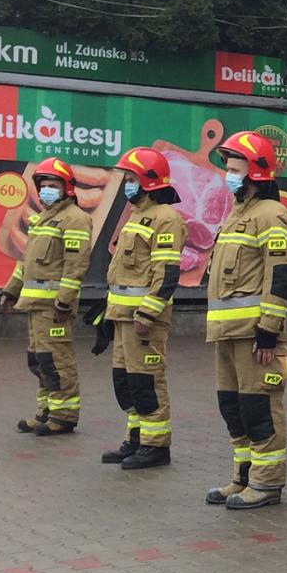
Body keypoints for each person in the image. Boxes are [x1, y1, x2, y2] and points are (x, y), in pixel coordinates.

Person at [203, 132, 287, 509]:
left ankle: (267, 483)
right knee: (233, 407)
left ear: (256, 172)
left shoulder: (270, 214)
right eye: (227, 168)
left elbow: (282, 274)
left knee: (260, 409)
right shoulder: (237, 214)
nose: (228, 175)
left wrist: (268, 330)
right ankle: (242, 477)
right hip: (227, 333)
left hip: (256, 336)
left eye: (234, 169)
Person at [99, 147, 187, 470]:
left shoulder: (166, 219)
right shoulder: (135, 216)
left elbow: (166, 274)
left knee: (147, 381)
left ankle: (156, 446)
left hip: (144, 322)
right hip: (123, 318)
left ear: (149, 180)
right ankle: (135, 439)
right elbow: (123, 273)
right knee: (126, 381)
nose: (127, 184)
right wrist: (107, 316)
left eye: (131, 178)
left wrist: (148, 313)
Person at [0, 157, 93, 437]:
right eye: (43, 185)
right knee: (40, 360)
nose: (46, 190)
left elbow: (75, 266)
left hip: (54, 308)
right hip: (34, 305)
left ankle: (64, 416)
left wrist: (64, 301)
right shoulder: (41, 220)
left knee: (57, 360)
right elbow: (24, 261)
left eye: (53, 185)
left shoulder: (75, 219)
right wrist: (9, 290)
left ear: (66, 188)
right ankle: (45, 412)